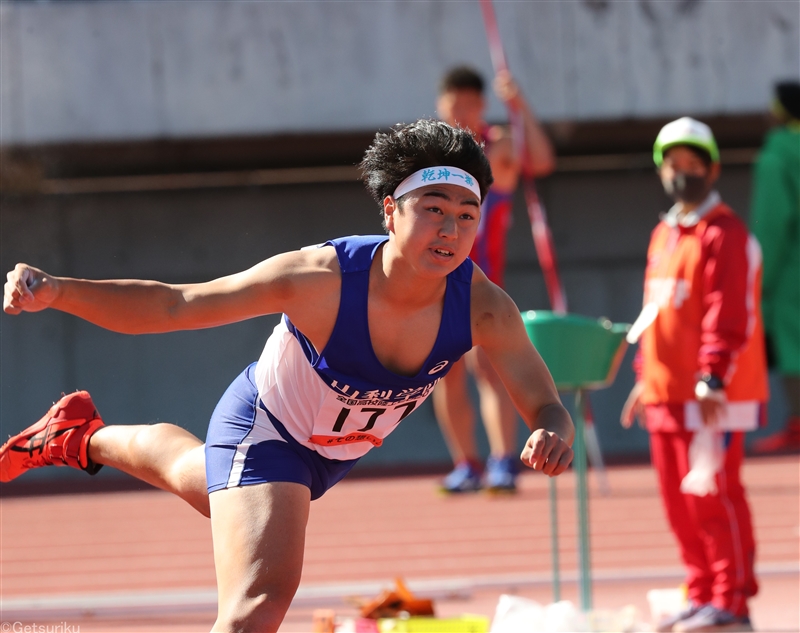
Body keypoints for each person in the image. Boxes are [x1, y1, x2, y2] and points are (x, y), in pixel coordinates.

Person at [1, 119, 574, 633]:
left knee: (192, 473)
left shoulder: (485, 308)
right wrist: (58, 292)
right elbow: (177, 304)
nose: (450, 230)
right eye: (433, 209)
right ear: (390, 209)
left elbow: (545, 404)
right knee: (257, 607)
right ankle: (79, 435)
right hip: (267, 427)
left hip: (328, 456)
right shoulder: (320, 278)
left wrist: (553, 432)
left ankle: (78, 434)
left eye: (466, 216)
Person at [621, 117, 767, 633]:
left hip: (710, 395)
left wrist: (713, 376)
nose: (682, 174)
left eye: (692, 165)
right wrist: (644, 376)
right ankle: (702, 590)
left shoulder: (725, 234)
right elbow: (654, 312)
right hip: (666, 391)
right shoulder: (664, 233)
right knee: (679, 503)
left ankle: (731, 600)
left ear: (713, 169)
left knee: (712, 496)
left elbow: (730, 314)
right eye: (673, 165)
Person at [434, 65, 556, 493]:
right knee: (440, 374)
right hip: (432, 282)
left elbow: (540, 160)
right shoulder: (431, 154)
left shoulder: (496, 147)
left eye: (471, 103)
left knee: (488, 369)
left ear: (481, 105)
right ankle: (466, 463)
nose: (462, 110)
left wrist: (519, 105)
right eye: (455, 103)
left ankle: (503, 459)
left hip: (479, 283)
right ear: (442, 105)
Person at [750, 81, 800, 454]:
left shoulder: (777, 156)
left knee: (793, 346)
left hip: (790, 276)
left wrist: (758, 278)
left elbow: (772, 224)